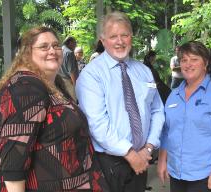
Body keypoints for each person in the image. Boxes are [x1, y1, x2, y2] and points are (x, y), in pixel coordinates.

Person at [0, 26, 109, 192]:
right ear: (27, 54)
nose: (52, 50)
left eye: (55, 45)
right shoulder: (25, 87)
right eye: (43, 46)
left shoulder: (53, 85)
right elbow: (13, 163)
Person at [76, 11, 165, 192]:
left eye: (124, 35)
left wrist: (148, 149)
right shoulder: (91, 75)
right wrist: (131, 154)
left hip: (142, 158)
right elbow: (97, 124)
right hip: (109, 163)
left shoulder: (144, 72)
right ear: (103, 40)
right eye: (113, 36)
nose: (120, 41)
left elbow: (157, 111)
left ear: (131, 37)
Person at [157, 41, 211, 192]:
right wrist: (162, 160)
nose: (188, 64)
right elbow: (167, 131)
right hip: (176, 172)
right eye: (184, 60)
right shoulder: (174, 95)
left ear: (205, 63)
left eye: (194, 59)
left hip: (204, 175)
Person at [59, 36, 79, 102]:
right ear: (70, 42)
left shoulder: (60, 50)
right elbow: (72, 71)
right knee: (73, 102)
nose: (75, 45)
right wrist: (76, 85)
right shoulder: (69, 53)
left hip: (59, 81)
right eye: (75, 43)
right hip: (69, 82)